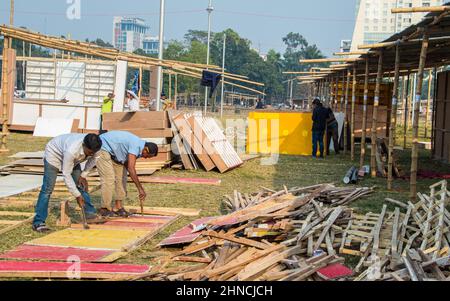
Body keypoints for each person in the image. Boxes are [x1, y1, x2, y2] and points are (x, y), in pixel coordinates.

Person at [32, 134, 103, 232]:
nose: (91, 154)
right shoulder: (72, 150)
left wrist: (83, 175)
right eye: (90, 152)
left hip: (73, 160)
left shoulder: (96, 147)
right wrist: (77, 195)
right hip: (54, 155)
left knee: (80, 184)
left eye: (93, 152)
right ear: (84, 145)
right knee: (47, 189)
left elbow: (94, 159)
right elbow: (66, 174)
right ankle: (38, 222)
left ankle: (90, 213)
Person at [97, 131, 158, 217]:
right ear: (145, 149)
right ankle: (104, 209)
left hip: (115, 154)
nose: (145, 158)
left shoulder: (140, 148)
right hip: (102, 147)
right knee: (109, 178)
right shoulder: (136, 146)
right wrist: (140, 188)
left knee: (122, 178)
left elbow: (127, 164)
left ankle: (118, 207)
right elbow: (131, 168)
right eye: (147, 156)